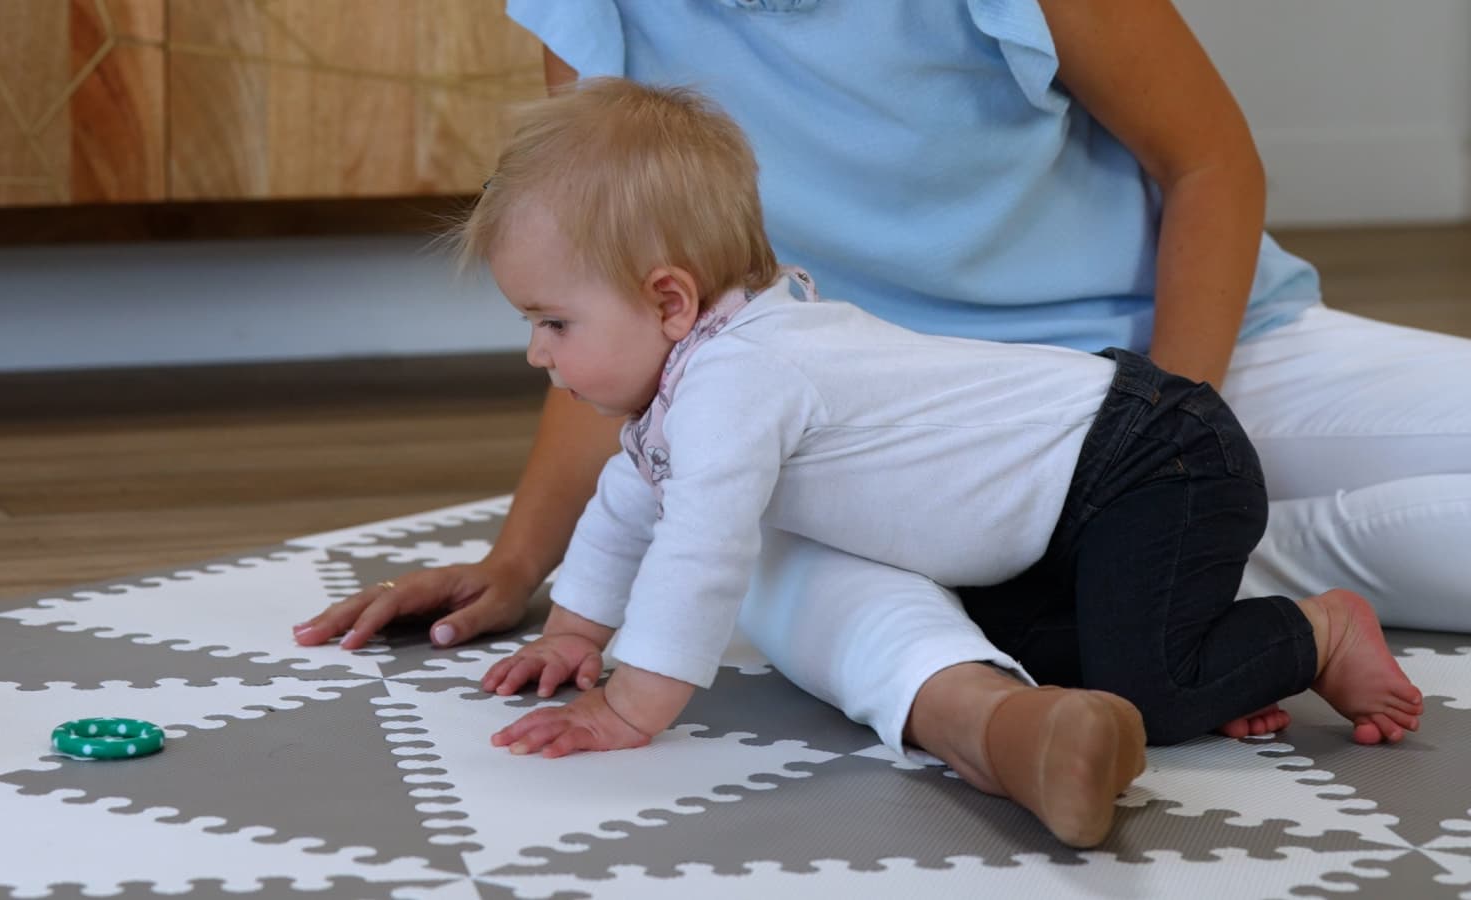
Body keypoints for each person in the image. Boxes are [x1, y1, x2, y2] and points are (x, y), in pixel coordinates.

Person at [297, 0, 1471, 745]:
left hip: (1170, 371)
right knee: (737, 530)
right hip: (864, 430)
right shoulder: (601, 13)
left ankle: (1181, 568)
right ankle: (1070, 669)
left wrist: (1169, 423)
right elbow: (629, 336)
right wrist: (521, 565)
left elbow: (1208, 162)